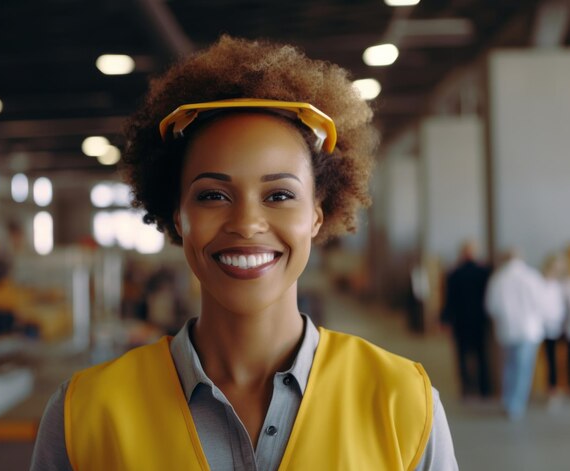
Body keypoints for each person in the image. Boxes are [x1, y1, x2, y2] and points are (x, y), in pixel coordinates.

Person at [31, 36, 457, 470]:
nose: (246, 223)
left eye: (279, 195)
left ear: (316, 213)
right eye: (213, 195)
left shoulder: (404, 403)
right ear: (178, 215)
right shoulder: (82, 416)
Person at [485, 249, 546, 420]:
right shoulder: (532, 276)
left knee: (509, 366)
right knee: (523, 368)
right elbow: (541, 302)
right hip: (528, 329)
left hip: (507, 329)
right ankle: (516, 404)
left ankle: (508, 401)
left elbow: (491, 306)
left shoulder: (498, 278)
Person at [441, 240, 492, 399]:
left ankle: (466, 387)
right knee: (482, 355)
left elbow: (449, 299)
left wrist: (445, 318)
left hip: (460, 321)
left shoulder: (455, 273)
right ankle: (484, 388)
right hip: (479, 320)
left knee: (462, 355)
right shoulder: (484, 272)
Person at [539, 253, 568, 407]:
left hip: (562, 325)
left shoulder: (560, 284)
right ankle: (552, 388)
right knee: (551, 359)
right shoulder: (541, 284)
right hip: (547, 326)